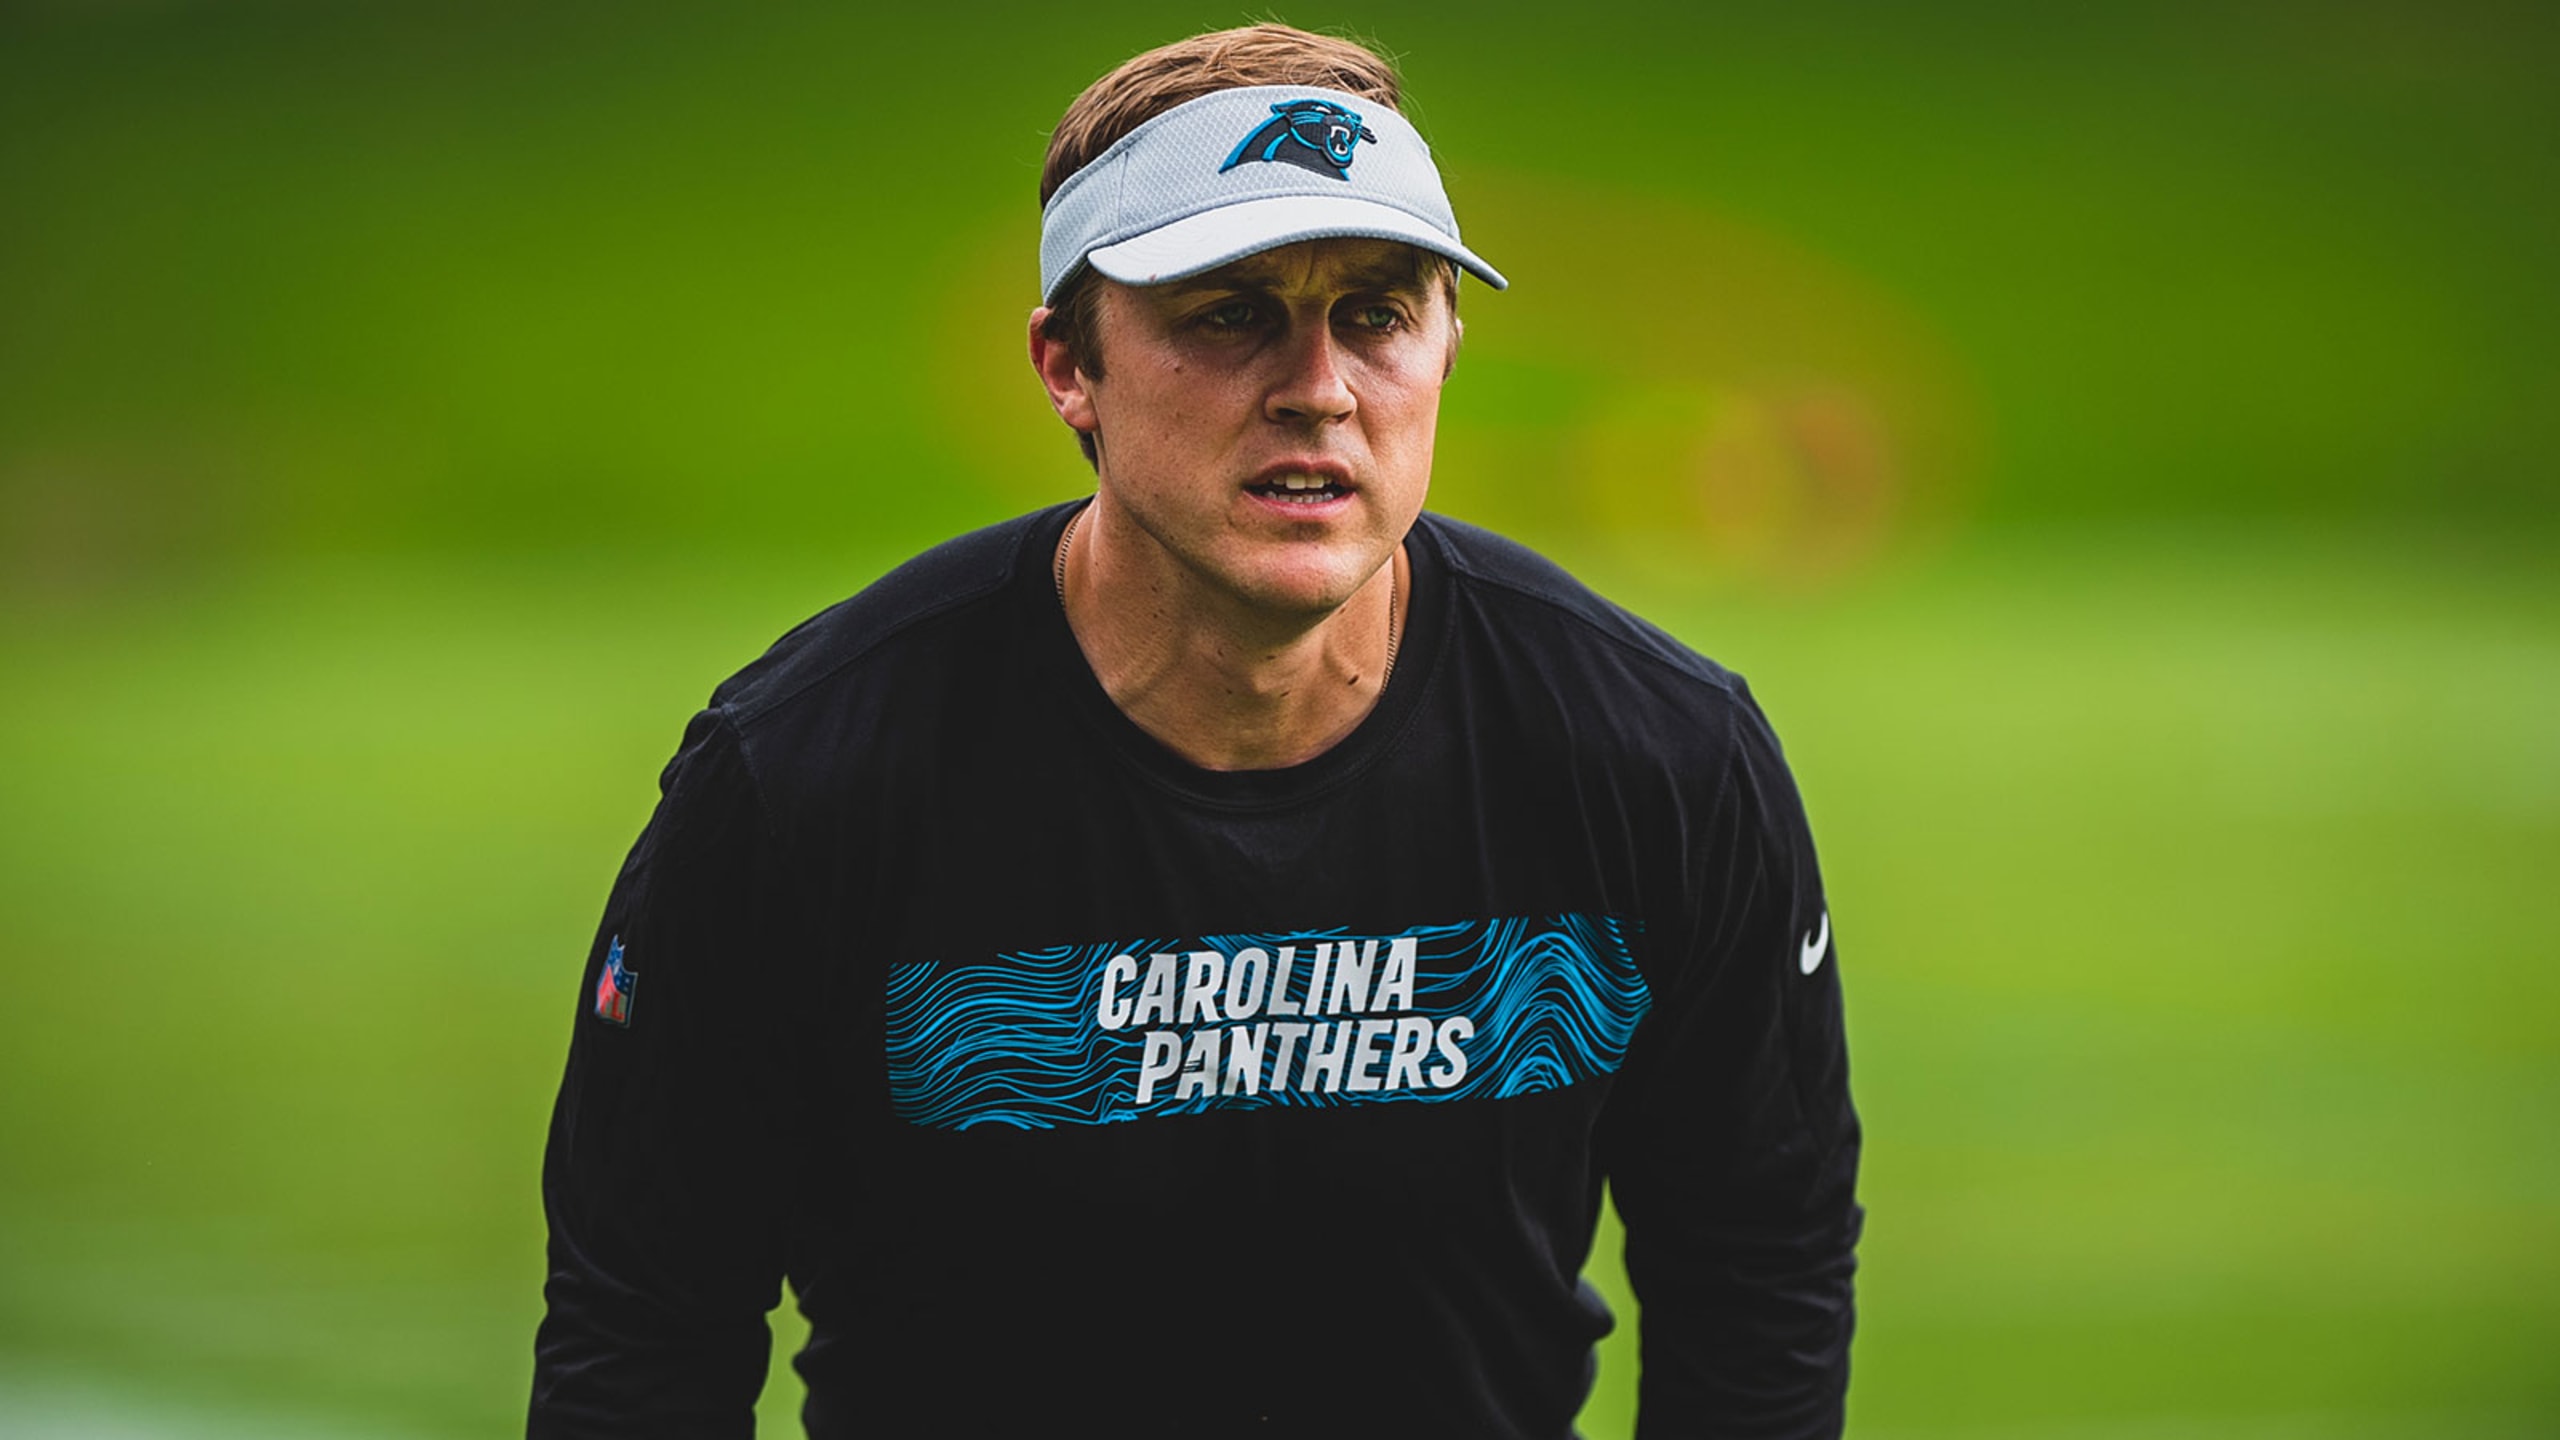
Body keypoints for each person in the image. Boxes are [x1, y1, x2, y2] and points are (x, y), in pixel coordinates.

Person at [531, 23, 1860, 1440]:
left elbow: (1758, 1275)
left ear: (1448, 347)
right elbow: (645, 1328)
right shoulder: (808, 772)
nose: (1319, 387)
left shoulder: (1659, 755)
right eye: (1230, 314)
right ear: (1069, 365)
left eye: (1377, 313)